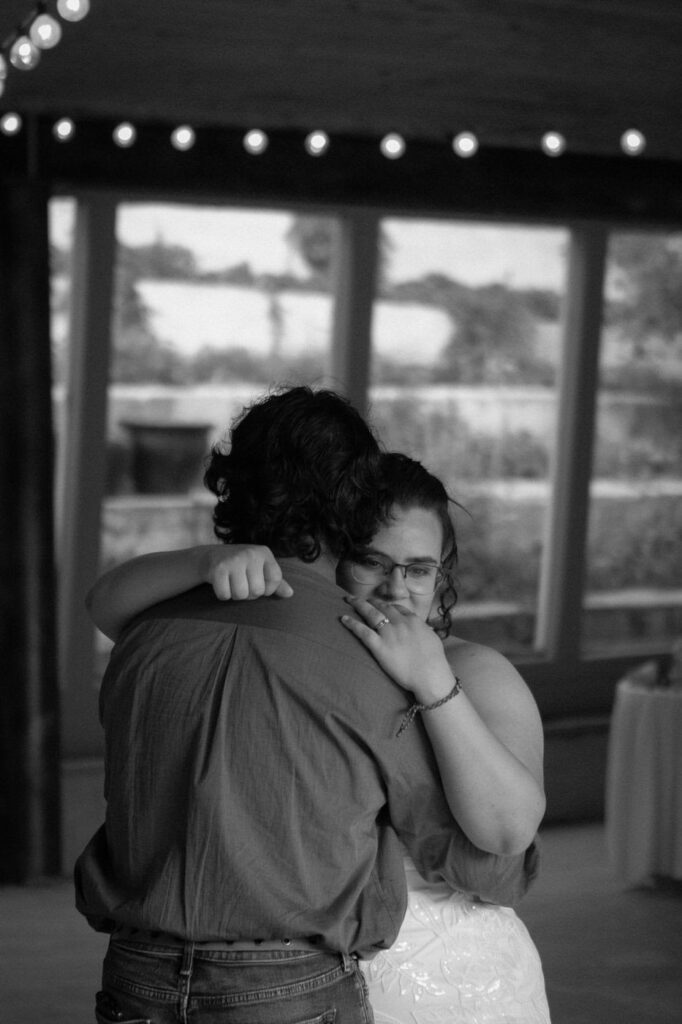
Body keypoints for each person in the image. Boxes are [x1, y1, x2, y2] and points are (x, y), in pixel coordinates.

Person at [76, 388, 539, 1024]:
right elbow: (486, 856)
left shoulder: (145, 629)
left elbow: (103, 602)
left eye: (419, 569)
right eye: (373, 561)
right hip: (288, 982)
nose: (396, 588)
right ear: (351, 510)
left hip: (135, 971)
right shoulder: (359, 655)